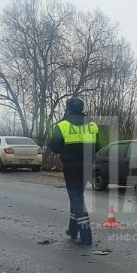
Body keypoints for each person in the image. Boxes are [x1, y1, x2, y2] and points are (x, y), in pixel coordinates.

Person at [48, 97, 101, 245]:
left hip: (71, 166)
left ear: (68, 108)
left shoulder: (62, 125)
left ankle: (86, 235)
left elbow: (55, 147)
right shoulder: (92, 125)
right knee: (77, 197)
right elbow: (98, 146)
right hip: (87, 165)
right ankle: (72, 230)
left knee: (76, 198)